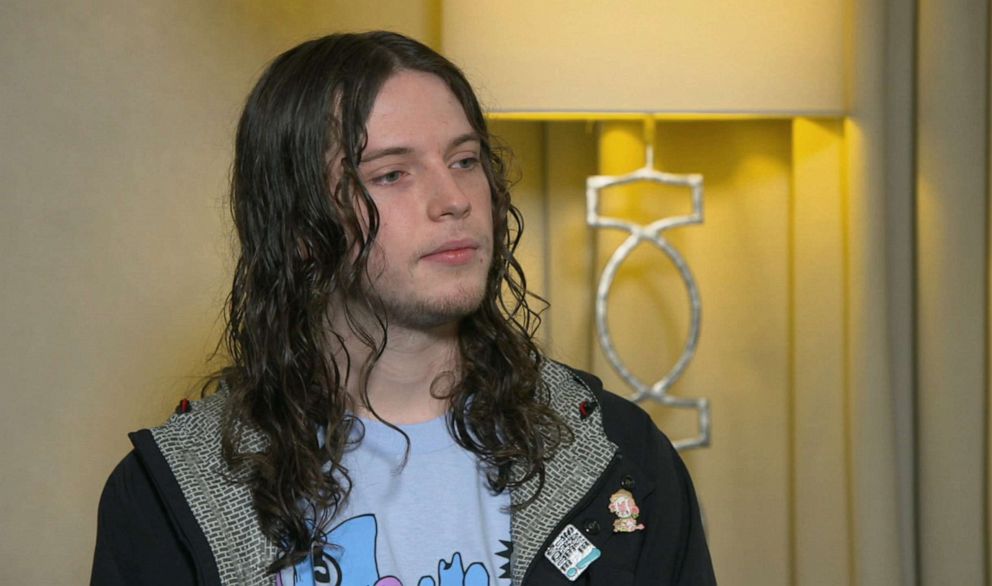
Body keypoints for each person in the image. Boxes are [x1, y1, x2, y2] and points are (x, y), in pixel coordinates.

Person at [90, 31, 716, 586]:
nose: (454, 199)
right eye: (392, 174)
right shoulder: (169, 494)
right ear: (300, 227)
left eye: (465, 161)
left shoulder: (618, 456)